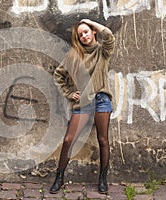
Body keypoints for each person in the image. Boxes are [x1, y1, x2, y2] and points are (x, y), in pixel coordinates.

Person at [50, 19, 115, 194]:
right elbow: (58, 75)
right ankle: (59, 177)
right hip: (83, 102)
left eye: (86, 31)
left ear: (93, 31)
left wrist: (90, 21)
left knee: (103, 140)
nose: (84, 36)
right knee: (68, 140)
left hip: (101, 99)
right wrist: (69, 93)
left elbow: (109, 36)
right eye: (80, 34)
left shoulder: (103, 51)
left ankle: (103, 178)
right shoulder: (74, 54)